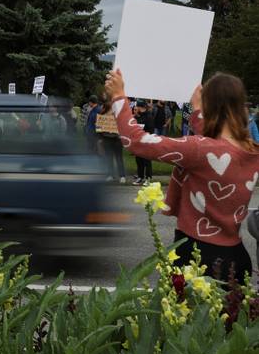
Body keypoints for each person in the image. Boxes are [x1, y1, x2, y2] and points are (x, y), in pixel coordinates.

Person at [105, 70, 259, 284]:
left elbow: (136, 141)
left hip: (196, 257)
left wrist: (118, 96)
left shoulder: (198, 149)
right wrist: (198, 110)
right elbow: (216, 145)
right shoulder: (251, 150)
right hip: (237, 259)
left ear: (210, 105)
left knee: (186, 317)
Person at [94, 98, 125, 183]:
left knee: (119, 158)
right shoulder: (102, 116)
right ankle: (110, 175)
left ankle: (122, 176)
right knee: (109, 158)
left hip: (117, 139)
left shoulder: (118, 115)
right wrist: (100, 137)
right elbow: (99, 128)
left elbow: (123, 127)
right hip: (106, 138)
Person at [132, 101, 155, 186]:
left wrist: (142, 129)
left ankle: (148, 178)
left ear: (140, 107)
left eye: (136, 107)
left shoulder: (148, 116)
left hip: (146, 141)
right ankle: (140, 177)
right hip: (138, 142)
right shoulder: (138, 116)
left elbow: (151, 129)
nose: (135, 109)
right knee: (139, 160)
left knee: (147, 161)